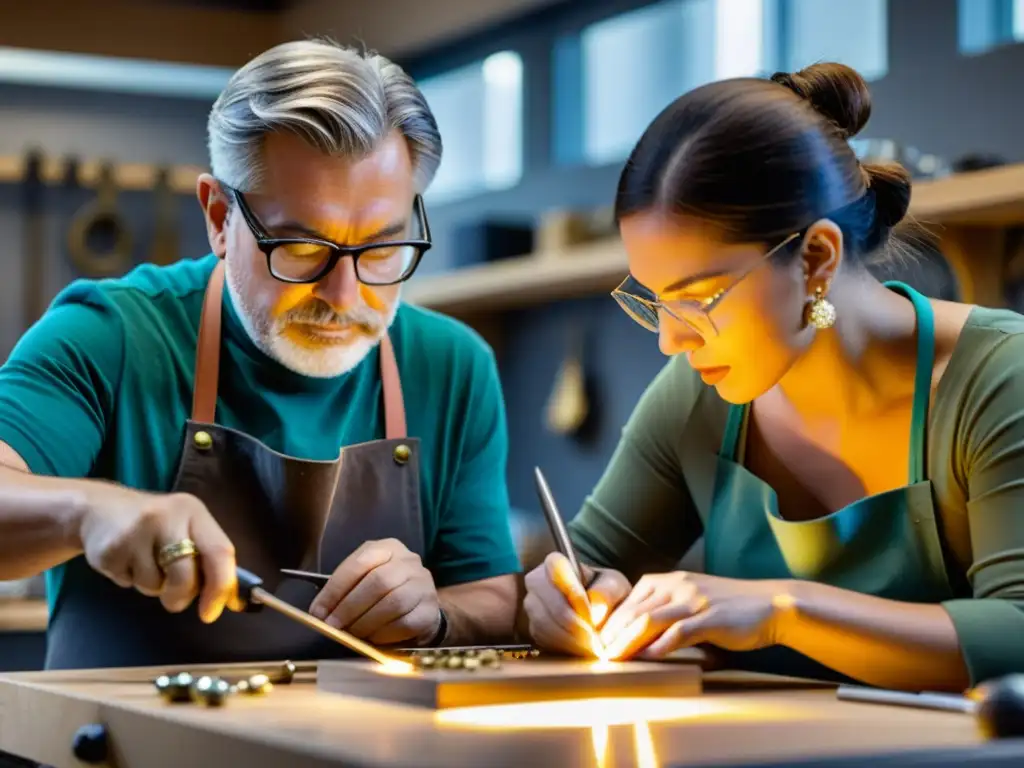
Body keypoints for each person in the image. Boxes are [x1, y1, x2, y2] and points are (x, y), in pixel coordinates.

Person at [0, 39, 521, 669]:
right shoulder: (110, 335)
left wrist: (438, 613)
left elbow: (492, 593)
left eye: (382, 250)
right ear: (220, 217)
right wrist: (87, 510)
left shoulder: (453, 365)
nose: (344, 294)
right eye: (302, 249)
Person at [522, 62, 1024, 693]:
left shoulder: (999, 377)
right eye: (654, 300)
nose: (670, 338)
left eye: (699, 298)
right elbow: (586, 566)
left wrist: (783, 609)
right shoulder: (696, 396)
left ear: (816, 257)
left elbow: (1017, 632)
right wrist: (563, 599)